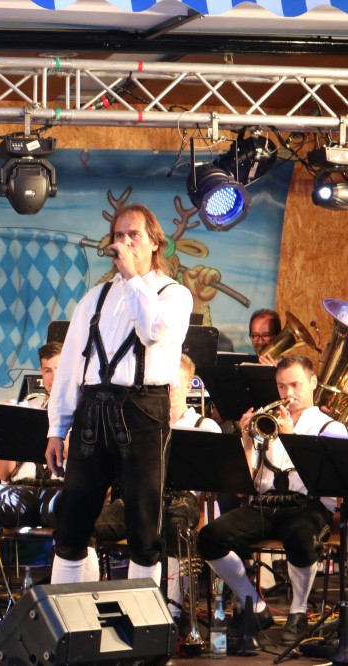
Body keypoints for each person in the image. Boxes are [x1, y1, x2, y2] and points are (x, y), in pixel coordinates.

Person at [44, 203, 193, 585]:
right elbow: (71, 367)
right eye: (119, 236)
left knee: (143, 527)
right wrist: (57, 429)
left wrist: (132, 277)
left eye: (134, 235)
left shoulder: (174, 295)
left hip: (143, 409)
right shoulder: (94, 297)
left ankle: (142, 616)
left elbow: (153, 331)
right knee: (72, 523)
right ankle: (66, 615)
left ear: (155, 242)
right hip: (93, 409)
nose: (124, 243)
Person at [197, 355, 347, 647]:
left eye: (295, 385)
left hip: (307, 506)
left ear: (313, 383)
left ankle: (297, 612)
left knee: (301, 537)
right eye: (281, 386)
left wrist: (292, 439)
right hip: (265, 504)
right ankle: (254, 604)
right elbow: (245, 484)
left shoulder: (330, 428)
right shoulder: (268, 421)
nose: (288, 393)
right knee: (209, 538)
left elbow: (329, 486)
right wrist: (246, 439)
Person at [92, 354, 220, 624]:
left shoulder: (204, 426)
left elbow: (213, 479)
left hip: (180, 501)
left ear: (189, 385)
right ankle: (90, 604)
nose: (169, 390)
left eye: (175, 383)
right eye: (164, 384)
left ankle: (173, 612)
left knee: (175, 527)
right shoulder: (138, 427)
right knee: (89, 526)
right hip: (137, 498)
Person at [0, 342, 73, 614]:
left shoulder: (80, 409)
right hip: (23, 491)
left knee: (76, 510)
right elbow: (4, 474)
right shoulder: (29, 407)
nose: (53, 376)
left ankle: (64, 601)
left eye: (59, 369)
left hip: (60, 492)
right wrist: (3, 431)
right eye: (47, 370)